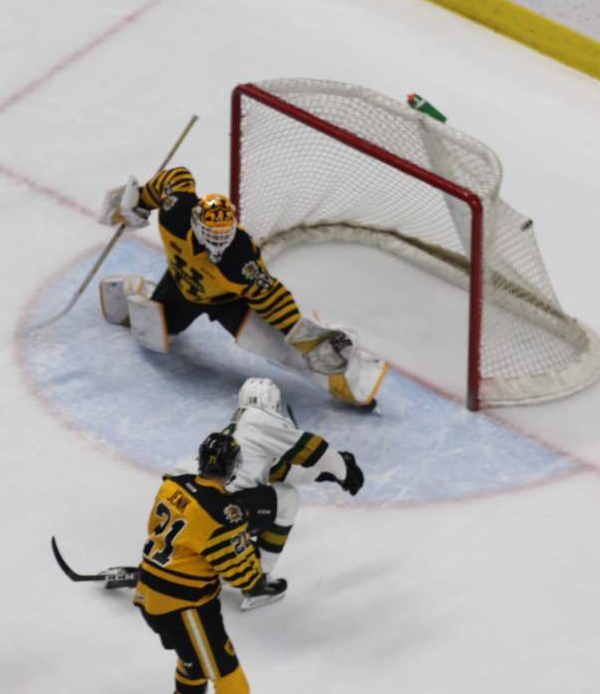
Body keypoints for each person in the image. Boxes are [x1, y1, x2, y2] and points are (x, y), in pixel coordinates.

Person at [97, 167, 387, 408]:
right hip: (181, 286)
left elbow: (272, 297)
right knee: (158, 331)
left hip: (228, 302)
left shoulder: (239, 258)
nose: (219, 243)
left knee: (272, 346)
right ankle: (132, 291)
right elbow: (177, 177)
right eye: (212, 234)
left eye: (224, 234)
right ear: (196, 223)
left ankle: (344, 380)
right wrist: (140, 199)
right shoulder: (175, 214)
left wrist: (303, 335)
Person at [134, 432, 282, 694]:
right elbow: (244, 577)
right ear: (233, 467)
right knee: (228, 674)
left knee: (193, 664)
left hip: (147, 591)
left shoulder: (173, 485)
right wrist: (246, 542)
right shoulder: (223, 514)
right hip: (184, 606)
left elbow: (158, 529)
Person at [221, 377, 364, 604]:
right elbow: (313, 449)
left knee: (269, 494)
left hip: (203, 511)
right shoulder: (262, 421)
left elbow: (280, 471)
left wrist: (324, 474)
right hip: (226, 515)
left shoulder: (238, 427)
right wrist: (343, 469)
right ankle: (257, 581)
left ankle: (222, 562)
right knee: (287, 498)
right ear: (273, 402)